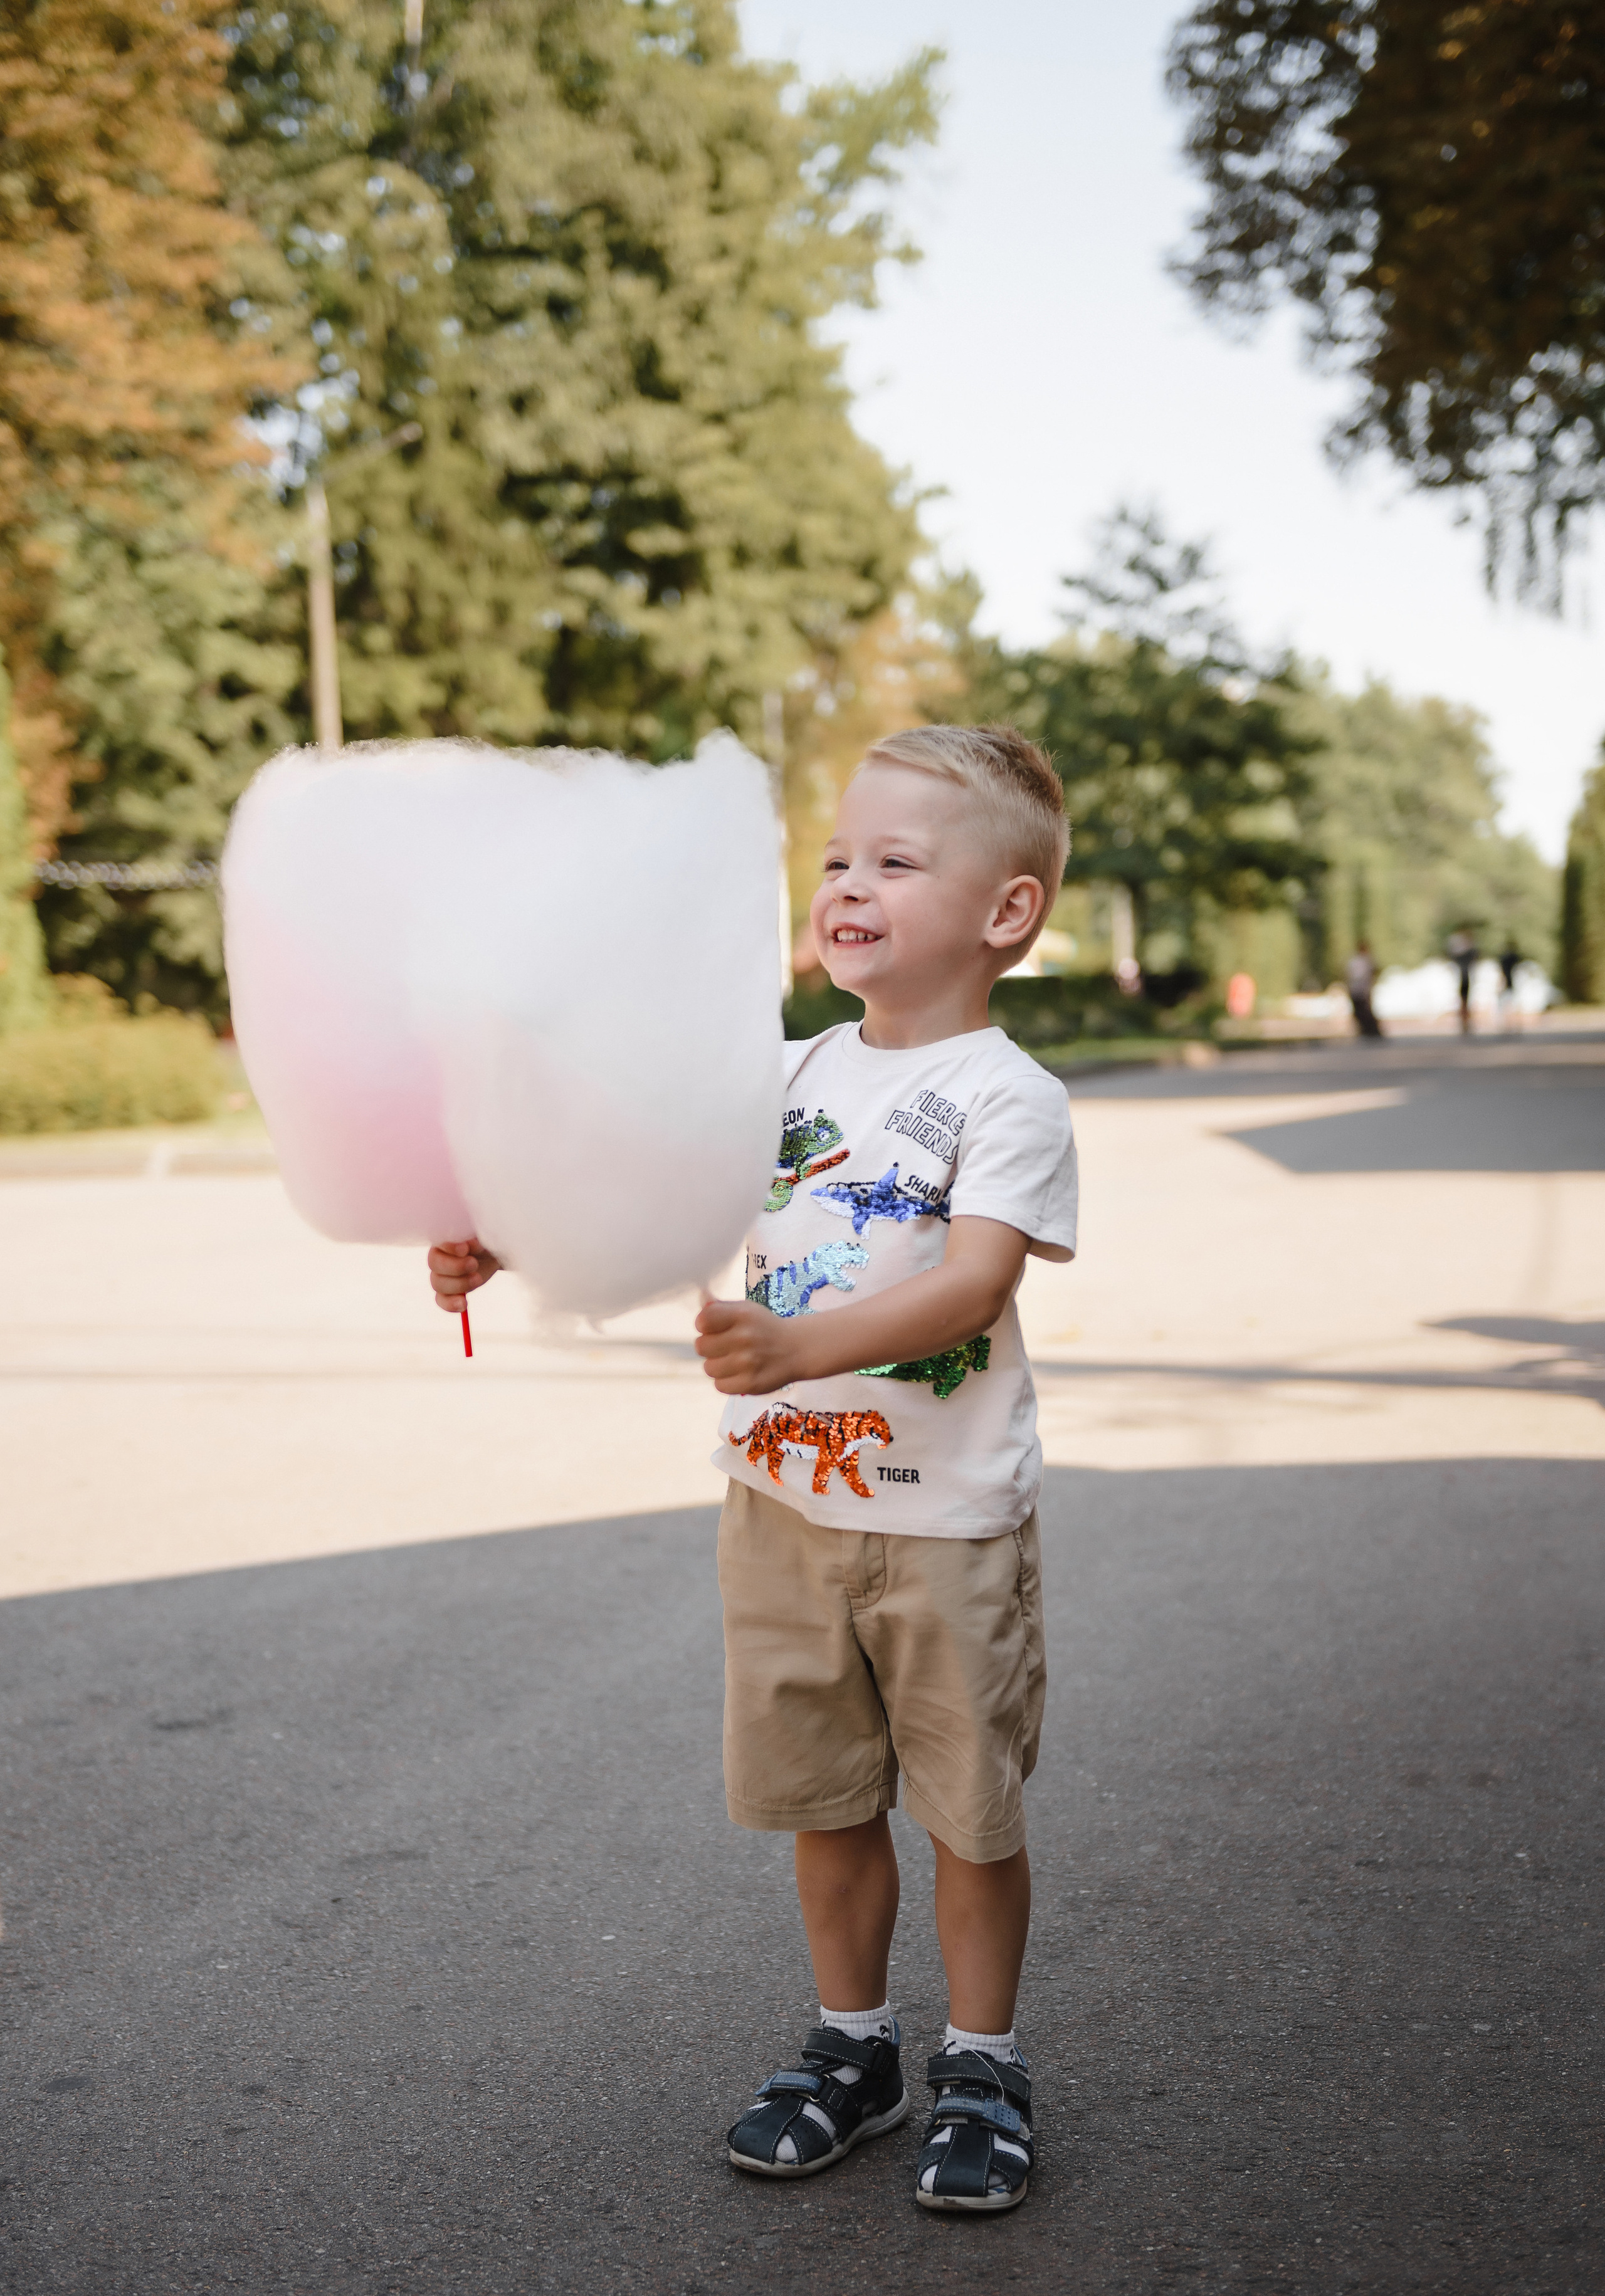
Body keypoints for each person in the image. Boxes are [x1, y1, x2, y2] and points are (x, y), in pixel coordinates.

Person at [427, 724, 1078, 2216]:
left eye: (894, 861)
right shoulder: (780, 1070)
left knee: (963, 1808)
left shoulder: (1003, 1095)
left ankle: (983, 2057)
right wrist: (508, 1233)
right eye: (837, 856)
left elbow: (973, 1284)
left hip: (945, 1525)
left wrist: (799, 1349)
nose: (847, 882)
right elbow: (643, 1193)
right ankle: (853, 2045)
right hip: (779, 1507)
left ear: (1004, 915)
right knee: (823, 1796)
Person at [1345, 939, 1383, 1038]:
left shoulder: (1361, 960)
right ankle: (1367, 1030)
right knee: (1361, 1012)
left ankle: (1370, 1031)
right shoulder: (1362, 961)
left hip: (1361, 989)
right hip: (1360, 989)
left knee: (1364, 1012)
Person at [1446, 928, 1478, 1034]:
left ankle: (1465, 1024)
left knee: (1465, 1002)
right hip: (1462, 980)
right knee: (1463, 1002)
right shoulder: (1463, 956)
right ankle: (1464, 1024)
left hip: (1465, 980)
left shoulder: (1465, 955)